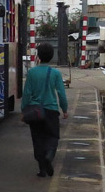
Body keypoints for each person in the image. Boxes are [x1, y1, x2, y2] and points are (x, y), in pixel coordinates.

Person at [21, 42, 69, 177]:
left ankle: (41, 169)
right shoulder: (55, 73)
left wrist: (24, 110)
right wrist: (64, 109)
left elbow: (26, 94)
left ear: (38, 55)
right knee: (53, 136)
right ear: (51, 56)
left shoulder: (32, 73)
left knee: (37, 139)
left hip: (35, 111)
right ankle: (49, 156)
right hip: (51, 110)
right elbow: (61, 93)